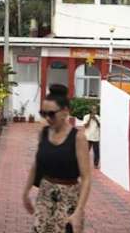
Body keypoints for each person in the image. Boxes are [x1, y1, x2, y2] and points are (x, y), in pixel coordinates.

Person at [23, 84, 92, 233]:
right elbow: (36, 165)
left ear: (65, 111)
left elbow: (86, 178)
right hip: (44, 198)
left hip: (68, 201)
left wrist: (79, 211)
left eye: (51, 114)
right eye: (43, 113)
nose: (47, 118)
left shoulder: (78, 138)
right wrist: (26, 192)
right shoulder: (43, 133)